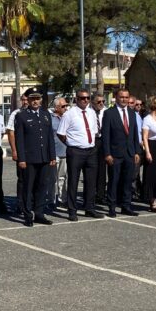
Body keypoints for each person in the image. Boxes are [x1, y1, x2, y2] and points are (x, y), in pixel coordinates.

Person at [56, 90, 104, 221]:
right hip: (75, 151)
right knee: (73, 181)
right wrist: (70, 143)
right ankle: (72, 210)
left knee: (91, 181)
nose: (85, 100)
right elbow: (61, 133)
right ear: (76, 99)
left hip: (91, 150)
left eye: (88, 98)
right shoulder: (69, 114)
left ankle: (90, 208)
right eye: (82, 98)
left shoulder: (91, 113)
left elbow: (94, 131)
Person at [15, 89, 56, 227]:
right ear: (28, 100)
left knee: (42, 186)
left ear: (41, 100)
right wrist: (21, 159)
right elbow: (19, 139)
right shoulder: (22, 116)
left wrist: (52, 155)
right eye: (32, 98)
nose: (35, 101)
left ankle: (39, 213)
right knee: (28, 187)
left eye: (37, 98)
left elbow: (50, 136)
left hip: (44, 157)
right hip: (29, 159)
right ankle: (27, 214)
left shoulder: (46, 115)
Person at [102, 89, 141, 217]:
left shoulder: (131, 113)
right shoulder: (109, 113)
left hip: (129, 153)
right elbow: (106, 135)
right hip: (115, 154)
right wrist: (107, 153)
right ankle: (112, 207)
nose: (124, 99)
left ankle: (126, 205)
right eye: (121, 97)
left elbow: (134, 134)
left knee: (128, 181)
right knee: (114, 181)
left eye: (126, 97)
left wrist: (136, 152)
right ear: (116, 98)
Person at [6, 91, 30, 215]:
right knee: (22, 179)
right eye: (23, 99)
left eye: (27, 99)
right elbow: (10, 132)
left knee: (34, 179)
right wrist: (14, 151)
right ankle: (20, 204)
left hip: (34, 153)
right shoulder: (16, 113)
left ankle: (32, 204)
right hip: (21, 152)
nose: (25, 102)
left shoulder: (36, 112)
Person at [48, 97, 68, 210]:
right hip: (54, 153)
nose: (65, 108)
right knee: (52, 179)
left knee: (63, 177)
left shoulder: (67, 117)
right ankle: (51, 200)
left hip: (65, 152)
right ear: (56, 108)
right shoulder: (50, 119)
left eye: (66, 106)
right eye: (63, 106)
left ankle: (62, 199)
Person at [92, 93, 109, 205]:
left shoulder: (106, 112)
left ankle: (100, 195)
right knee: (92, 169)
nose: (101, 104)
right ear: (93, 102)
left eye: (103, 101)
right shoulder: (89, 112)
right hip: (92, 141)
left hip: (103, 140)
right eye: (99, 102)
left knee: (102, 170)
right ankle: (90, 195)